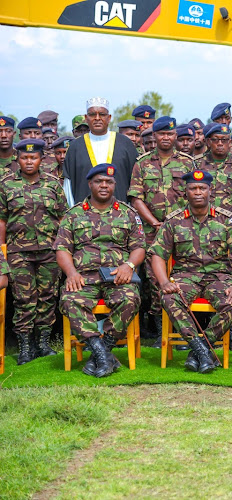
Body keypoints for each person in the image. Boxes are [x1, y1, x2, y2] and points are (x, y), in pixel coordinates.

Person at [151, 170, 232, 374]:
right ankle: (201, 349)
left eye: (202, 188)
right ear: (185, 192)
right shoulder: (174, 221)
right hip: (185, 277)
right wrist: (164, 283)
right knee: (169, 298)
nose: (197, 192)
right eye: (192, 188)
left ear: (210, 191)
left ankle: (199, 348)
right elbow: (158, 255)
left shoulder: (225, 220)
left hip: (219, 277)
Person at [54, 163, 145, 378]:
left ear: (115, 184)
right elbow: (62, 249)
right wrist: (72, 273)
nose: (104, 185)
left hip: (117, 276)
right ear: (90, 184)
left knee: (131, 299)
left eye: (109, 182)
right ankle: (101, 352)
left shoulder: (128, 213)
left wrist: (129, 266)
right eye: (99, 181)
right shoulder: (74, 215)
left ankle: (102, 350)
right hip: (83, 277)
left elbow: (139, 247)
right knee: (69, 300)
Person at [0, 139, 67, 364]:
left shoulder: (53, 184)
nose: (29, 161)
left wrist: (63, 246)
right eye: (24, 157)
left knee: (48, 298)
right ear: (17, 159)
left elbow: (62, 217)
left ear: (41, 159)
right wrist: (2, 252)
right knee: (23, 300)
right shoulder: (6, 184)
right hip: (19, 252)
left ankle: (43, 344)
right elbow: (1, 221)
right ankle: (25, 348)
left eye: (34, 157)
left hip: (49, 250)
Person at [128, 116, 193, 343]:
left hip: (182, 232)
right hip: (151, 232)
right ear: (154, 136)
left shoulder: (187, 163)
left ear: (175, 136)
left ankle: (181, 330)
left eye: (170, 134)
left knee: (182, 276)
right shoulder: (142, 163)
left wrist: (177, 224)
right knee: (156, 279)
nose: (166, 137)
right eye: (162, 133)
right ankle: (158, 331)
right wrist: (155, 222)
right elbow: (136, 198)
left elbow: (193, 197)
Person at [63, 97, 138, 205]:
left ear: (109, 117)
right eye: (92, 114)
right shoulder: (75, 147)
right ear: (86, 117)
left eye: (102, 114)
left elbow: (135, 184)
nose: (97, 118)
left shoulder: (125, 144)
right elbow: (68, 187)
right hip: (84, 217)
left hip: (120, 217)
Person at [194, 123, 232, 224]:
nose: (220, 143)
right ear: (209, 142)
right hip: (205, 225)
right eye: (215, 140)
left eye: (224, 140)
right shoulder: (196, 164)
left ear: (230, 142)